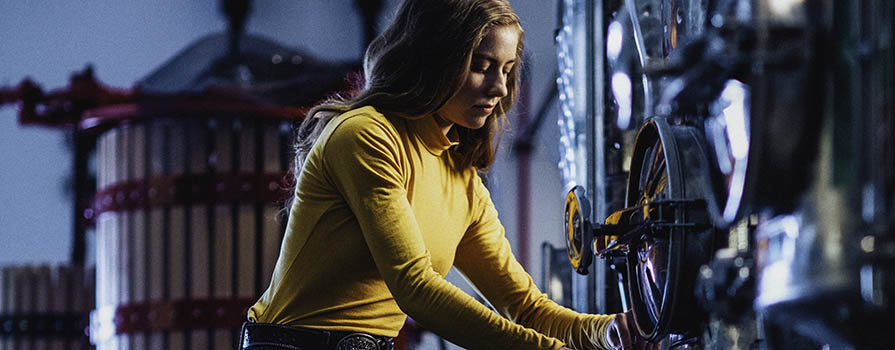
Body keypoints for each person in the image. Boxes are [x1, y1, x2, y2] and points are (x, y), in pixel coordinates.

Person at [243, 0, 654, 349]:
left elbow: (524, 306)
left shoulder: (463, 179)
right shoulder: (367, 136)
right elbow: (415, 288)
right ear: (437, 60)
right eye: (483, 66)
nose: (499, 87)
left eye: (508, 70)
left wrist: (609, 331)